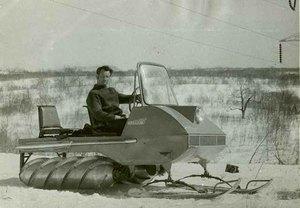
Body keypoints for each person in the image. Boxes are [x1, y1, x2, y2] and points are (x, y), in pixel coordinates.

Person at [86, 65, 134, 135]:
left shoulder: (111, 90)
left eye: (107, 77)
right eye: (102, 76)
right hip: (105, 124)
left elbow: (124, 98)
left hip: (117, 120)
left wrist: (137, 97)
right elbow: (98, 113)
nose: (104, 79)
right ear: (97, 76)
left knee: (140, 121)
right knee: (133, 126)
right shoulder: (93, 94)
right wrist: (114, 117)